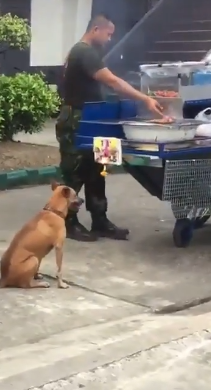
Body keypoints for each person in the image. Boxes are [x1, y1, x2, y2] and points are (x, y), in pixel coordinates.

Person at [57, 14, 166, 242]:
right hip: (78, 121)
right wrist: (144, 99)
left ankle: (100, 220)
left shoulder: (86, 53)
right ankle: (68, 222)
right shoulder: (83, 52)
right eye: (108, 34)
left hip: (96, 119)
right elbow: (113, 81)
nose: (109, 39)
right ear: (96, 29)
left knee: (99, 170)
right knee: (74, 173)